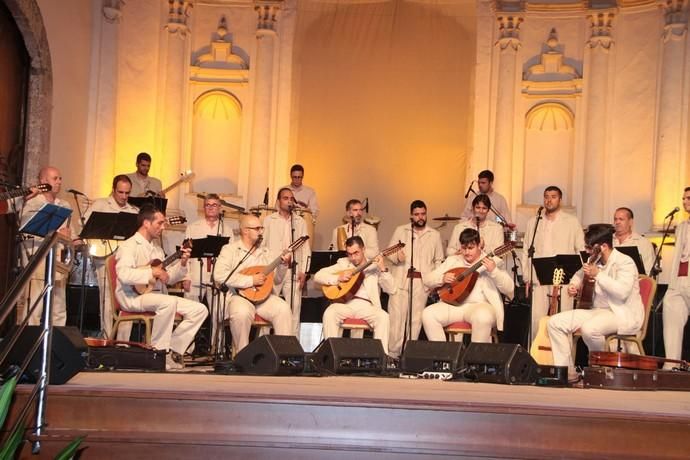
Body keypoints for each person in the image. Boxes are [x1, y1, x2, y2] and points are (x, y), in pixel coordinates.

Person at [114, 205, 207, 370]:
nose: (163, 227)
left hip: (154, 295)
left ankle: (172, 350)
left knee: (200, 310)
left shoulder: (156, 249)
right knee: (168, 303)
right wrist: (151, 272)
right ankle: (157, 353)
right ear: (146, 223)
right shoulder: (128, 246)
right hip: (132, 296)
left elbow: (169, 278)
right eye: (160, 223)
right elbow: (124, 275)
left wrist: (183, 262)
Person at [547, 224, 644, 381]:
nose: (586, 251)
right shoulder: (594, 260)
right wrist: (574, 286)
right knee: (554, 322)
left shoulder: (625, 262)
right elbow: (579, 275)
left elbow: (622, 292)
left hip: (621, 313)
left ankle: (599, 369)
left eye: (589, 247)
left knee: (590, 329)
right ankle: (566, 372)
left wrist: (599, 275)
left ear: (603, 246)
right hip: (597, 311)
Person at [214, 214, 293, 355]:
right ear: (245, 231)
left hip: (264, 298)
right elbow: (219, 275)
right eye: (257, 228)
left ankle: (283, 355)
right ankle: (242, 355)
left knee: (283, 309)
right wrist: (250, 281)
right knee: (241, 313)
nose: (261, 232)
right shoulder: (230, 249)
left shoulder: (266, 252)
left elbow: (277, 280)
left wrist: (283, 265)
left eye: (261, 228)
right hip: (239, 296)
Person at [422, 229, 514, 343]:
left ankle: (476, 360)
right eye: (464, 248)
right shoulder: (452, 260)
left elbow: (509, 288)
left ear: (479, 245)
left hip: (480, 306)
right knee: (428, 314)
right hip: (454, 306)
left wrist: (494, 271)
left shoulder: (493, 262)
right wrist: (442, 278)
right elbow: (427, 280)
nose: (466, 252)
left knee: (482, 317)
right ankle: (445, 357)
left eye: (471, 248)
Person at [522, 186, 585, 342]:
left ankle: (563, 363)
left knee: (563, 320)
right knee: (537, 320)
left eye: (553, 196)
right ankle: (536, 360)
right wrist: (527, 277)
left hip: (564, 277)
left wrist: (578, 280)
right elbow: (526, 251)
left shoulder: (571, 222)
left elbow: (582, 251)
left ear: (560, 200)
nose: (549, 200)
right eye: (546, 196)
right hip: (539, 275)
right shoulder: (534, 222)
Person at [17, 166, 76, 326]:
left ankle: (55, 345)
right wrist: (58, 234)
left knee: (58, 307)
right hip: (37, 258)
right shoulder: (31, 202)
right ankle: (27, 342)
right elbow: (26, 229)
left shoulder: (64, 204)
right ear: (43, 181)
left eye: (60, 178)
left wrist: (73, 238)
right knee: (34, 305)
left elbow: (71, 234)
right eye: (55, 178)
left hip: (58, 260)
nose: (59, 182)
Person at [315, 236, 394, 355]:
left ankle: (382, 358)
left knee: (383, 317)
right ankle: (331, 355)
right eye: (349, 254)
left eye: (356, 253)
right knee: (330, 312)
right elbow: (318, 276)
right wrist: (338, 278)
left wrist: (382, 268)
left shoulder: (375, 266)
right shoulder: (343, 264)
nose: (353, 257)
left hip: (367, 306)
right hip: (346, 304)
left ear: (363, 249)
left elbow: (391, 289)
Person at [385, 200, 444, 359]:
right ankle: (392, 356)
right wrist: (397, 256)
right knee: (396, 320)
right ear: (411, 215)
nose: (420, 217)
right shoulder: (401, 230)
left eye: (423, 214)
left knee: (415, 321)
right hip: (401, 280)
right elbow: (389, 253)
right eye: (417, 214)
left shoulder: (434, 234)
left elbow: (439, 260)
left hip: (422, 283)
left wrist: (435, 282)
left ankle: (408, 355)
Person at [83, 174, 139, 337]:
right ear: (113, 190)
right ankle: (107, 337)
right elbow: (85, 226)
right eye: (120, 192)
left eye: (127, 193)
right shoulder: (100, 204)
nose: (124, 197)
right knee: (107, 300)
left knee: (128, 300)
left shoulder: (133, 211)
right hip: (105, 257)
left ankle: (123, 341)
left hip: (126, 261)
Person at [262, 187, 311, 338]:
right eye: (285, 198)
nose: (289, 201)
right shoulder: (269, 220)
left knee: (294, 309)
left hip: (293, 271)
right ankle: (263, 343)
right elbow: (263, 246)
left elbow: (306, 248)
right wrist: (265, 269)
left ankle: (292, 346)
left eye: (291, 198)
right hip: (273, 270)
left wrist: (305, 271)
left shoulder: (299, 221)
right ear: (278, 201)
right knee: (268, 307)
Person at [183, 193, 234, 303]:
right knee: (192, 312)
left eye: (214, 205)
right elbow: (185, 254)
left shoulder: (227, 230)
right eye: (207, 205)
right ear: (204, 208)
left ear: (220, 208)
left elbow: (231, 257)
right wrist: (186, 277)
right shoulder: (192, 228)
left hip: (217, 279)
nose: (210, 207)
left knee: (218, 314)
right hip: (196, 276)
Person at [663, 187, 690, 367]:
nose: (685, 201)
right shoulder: (681, 226)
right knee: (670, 310)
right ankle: (671, 364)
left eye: (688, 198)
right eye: (683, 198)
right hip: (678, 279)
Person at [612, 207, 655, 275]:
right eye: (615, 219)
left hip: (633, 283)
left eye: (621, 219)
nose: (617, 222)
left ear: (630, 222)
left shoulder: (643, 243)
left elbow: (648, 272)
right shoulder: (606, 241)